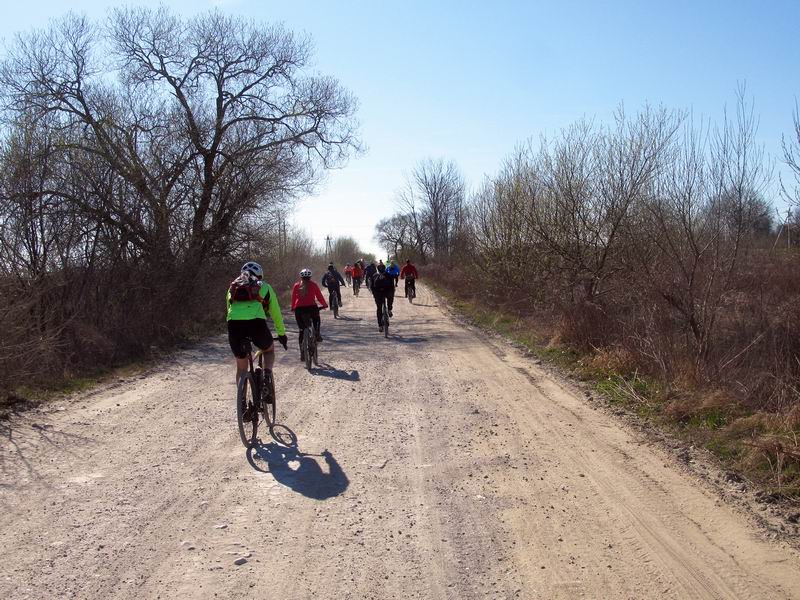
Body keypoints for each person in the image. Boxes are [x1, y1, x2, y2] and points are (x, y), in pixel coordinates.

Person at [226, 261, 288, 383]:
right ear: (260, 275)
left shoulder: (232, 287)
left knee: (241, 367)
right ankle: (267, 376)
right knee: (268, 350)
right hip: (256, 323)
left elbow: (228, 310)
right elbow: (275, 313)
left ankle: (241, 400)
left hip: (234, 325)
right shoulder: (265, 286)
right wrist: (281, 333)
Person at [291, 268, 328, 360]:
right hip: (312, 308)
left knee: (302, 330)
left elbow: (293, 299)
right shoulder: (314, 285)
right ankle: (317, 333)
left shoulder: (296, 285)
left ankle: (302, 353)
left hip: (299, 310)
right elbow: (319, 296)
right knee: (317, 319)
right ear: (310, 277)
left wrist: (293, 307)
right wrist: (324, 305)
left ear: (301, 277)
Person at [371, 263, 395, 332]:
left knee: (379, 308)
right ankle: (389, 309)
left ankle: (380, 326)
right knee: (390, 298)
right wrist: (392, 292)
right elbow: (392, 286)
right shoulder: (388, 275)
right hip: (387, 292)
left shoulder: (374, 275)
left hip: (378, 293)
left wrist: (374, 294)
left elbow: (372, 287)